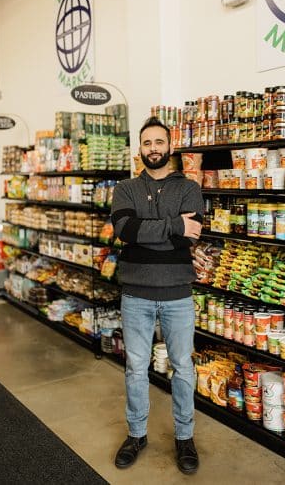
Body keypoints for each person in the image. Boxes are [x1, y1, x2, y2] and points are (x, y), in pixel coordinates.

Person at [111, 116, 204, 475]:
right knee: (135, 366)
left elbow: (189, 237)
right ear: (140, 149)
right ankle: (137, 434)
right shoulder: (125, 188)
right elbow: (125, 230)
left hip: (178, 293)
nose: (153, 149)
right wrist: (173, 225)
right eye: (147, 143)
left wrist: (153, 231)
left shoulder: (189, 187)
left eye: (159, 142)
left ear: (170, 147)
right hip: (135, 294)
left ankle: (185, 437)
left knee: (183, 367)